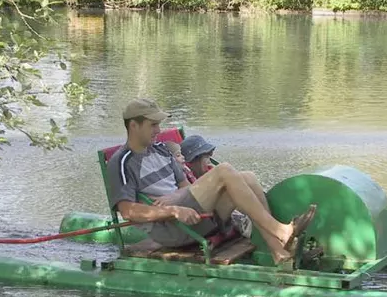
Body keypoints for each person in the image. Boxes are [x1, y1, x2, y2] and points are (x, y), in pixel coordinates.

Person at [106, 97, 316, 266]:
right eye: (153, 125)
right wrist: (174, 211)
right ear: (133, 125)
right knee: (223, 170)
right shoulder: (122, 162)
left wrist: (178, 199)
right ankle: (280, 231)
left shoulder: (161, 149)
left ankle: (278, 252)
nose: (158, 130)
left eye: (158, 125)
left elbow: (184, 187)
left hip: (192, 218)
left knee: (248, 177)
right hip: (170, 229)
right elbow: (128, 212)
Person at [181, 134, 253, 239]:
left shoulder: (209, 171)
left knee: (245, 180)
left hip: (225, 212)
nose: (209, 158)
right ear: (193, 161)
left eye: (210, 155)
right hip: (211, 218)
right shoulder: (188, 179)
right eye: (206, 156)